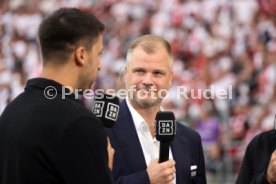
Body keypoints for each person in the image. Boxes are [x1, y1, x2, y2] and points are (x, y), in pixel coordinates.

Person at [0, 8, 114, 184]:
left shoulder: (11, 111)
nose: (99, 65)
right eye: (98, 54)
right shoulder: (79, 122)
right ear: (81, 55)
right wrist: (106, 169)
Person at [108, 35, 206, 184]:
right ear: (126, 74)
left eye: (157, 73)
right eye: (140, 71)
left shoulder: (191, 139)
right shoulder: (102, 133)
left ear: (170, 77)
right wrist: (146, 179)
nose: (148, 81)